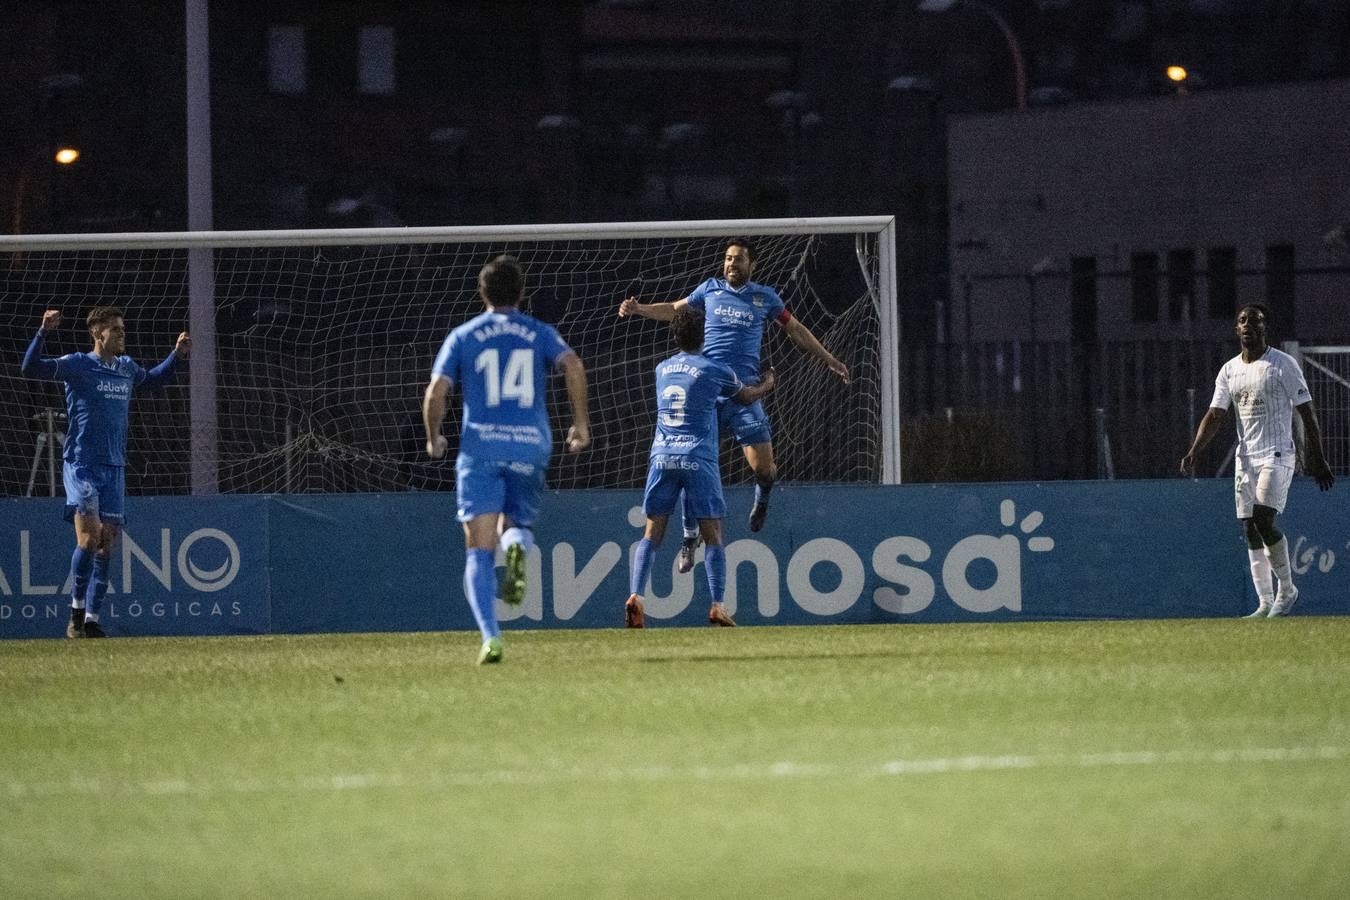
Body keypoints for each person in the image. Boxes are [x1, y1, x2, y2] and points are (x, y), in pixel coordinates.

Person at [618, 238, 848, 574]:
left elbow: (795, 329)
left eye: (738, 260)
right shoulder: (709, 290)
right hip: (707, 392)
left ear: (751, 265)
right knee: (691, 462)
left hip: (744, 394)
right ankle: (688, 535)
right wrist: (640, 309)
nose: (731, 264)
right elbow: (675, 309)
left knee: (766, 469)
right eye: (727, 259)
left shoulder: (764, 297)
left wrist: (827, 358)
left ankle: (762, 497)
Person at [423, 254, 590, 664]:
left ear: (481, 292)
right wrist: (581, 423)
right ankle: (517, 546)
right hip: (530, 444)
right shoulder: (539, 332)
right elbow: (573, 365)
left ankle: (491, 638)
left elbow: (436, 393)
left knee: (479, 548)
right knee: (515, 525)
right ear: (522, 293)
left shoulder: (464, 335)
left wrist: (433, 437)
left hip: (481, 448)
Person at [20, 307, 190, 638]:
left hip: (114, 466)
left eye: (123, 328)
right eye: (116, 329)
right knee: (89, 536)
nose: (122, 334)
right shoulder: (78, 365)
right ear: (98, 334)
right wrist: (43, 332)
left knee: (106, 543)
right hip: (82, 464)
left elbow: (154, 381)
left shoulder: (126, 368)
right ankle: (76, 613)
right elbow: (31, 368)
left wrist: (176, 355)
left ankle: (93, 620)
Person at [625, 308, 777, 629]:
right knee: (715, 537)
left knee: (651, 534)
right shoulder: (714, 369)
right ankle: (717, 605)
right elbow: (746, 396)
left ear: (676, 336)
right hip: (697, 458)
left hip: (662, 457)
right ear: (704, 336)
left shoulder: (662, 368)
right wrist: (767, 383)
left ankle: (637, 596)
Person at [1180, 303, 1335, 617]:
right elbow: (1215, 414)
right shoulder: (1229, 370)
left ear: (1265, 328)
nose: (1248, 324)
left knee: (1264, 518)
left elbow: (1307, 411)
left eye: (1256, 320)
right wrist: (1195, 450)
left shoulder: (1283, 364)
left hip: (1278, 453)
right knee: (1250, 526)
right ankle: (1265, 602)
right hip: (1246, 457)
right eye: (1242, 320)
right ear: (1236, 329)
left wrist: (1316, 456)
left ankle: (1287, 590)